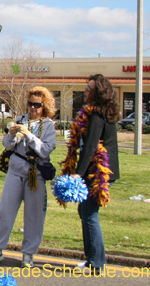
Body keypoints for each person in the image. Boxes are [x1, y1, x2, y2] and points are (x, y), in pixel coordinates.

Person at [0, 86, 57, 269]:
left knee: (34, 216)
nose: (32, 108)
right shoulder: (20, 120)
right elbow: (7, 146)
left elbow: (45, 149)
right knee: (5, 212)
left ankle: (28, 253)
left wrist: (29, 135)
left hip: (35, 174)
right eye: (30, 104)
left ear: (44, 106)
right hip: (15, 171)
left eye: (37, 105)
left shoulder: (48, 125)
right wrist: (11, 134)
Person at [61, 74, 121, 275]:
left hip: (98, 173)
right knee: (85, 213)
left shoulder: (97, 115)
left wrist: (78, 174)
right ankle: (92, 259)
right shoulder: (98, 113)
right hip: (95, 171)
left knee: (89, 214)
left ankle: (96, 262)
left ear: (98, 92)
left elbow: (91, 147)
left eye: (88, 88)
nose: (85, 91)